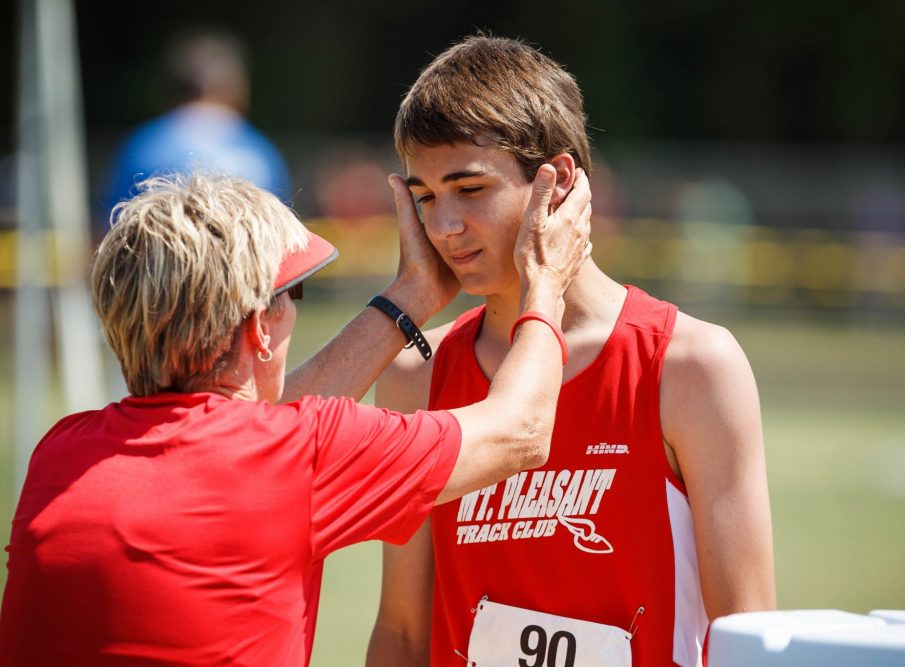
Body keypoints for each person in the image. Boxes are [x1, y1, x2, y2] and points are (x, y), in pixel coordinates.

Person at [0, 168, 592, 665]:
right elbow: (519, 432)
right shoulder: (296, 455)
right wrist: (545, 283)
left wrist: (414, 293)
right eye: (292, 295)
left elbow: (233, 427)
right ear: (259, 327)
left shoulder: (62, 453)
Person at [366, 36, 775, 667]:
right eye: (424, 197)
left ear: (555, 183)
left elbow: (745, 638)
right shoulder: (415, 374)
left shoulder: (689, 367)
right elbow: (402, 633)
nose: (442, 225)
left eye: (469, 189)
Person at [101, 30, 291, 227]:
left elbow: (108, 231)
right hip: (244, 257)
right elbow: (283, 235)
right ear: (236, 89)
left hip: (157, 257)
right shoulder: (259, 152)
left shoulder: (142, 146)